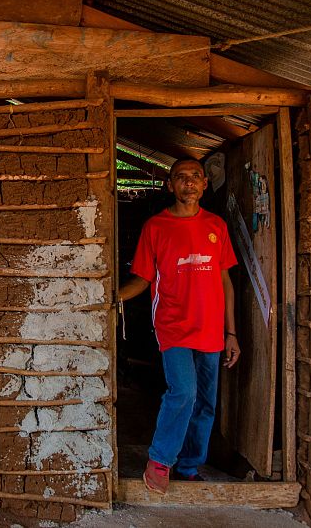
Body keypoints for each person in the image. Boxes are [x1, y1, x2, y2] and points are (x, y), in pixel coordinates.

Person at [118, 158, 240, 494]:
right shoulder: (156, 228)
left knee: (205, 403)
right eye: (180, 178)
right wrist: (112, 296)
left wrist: (231, 333)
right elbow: (142, 278)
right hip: (173, 325)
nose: (188, 183)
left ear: (204, 184)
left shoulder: (216, 226)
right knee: (182, 391)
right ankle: (160, 459)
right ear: (169, 185)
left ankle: (188, 466)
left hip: (212, 329)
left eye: (195, 177)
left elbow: (225, 279)